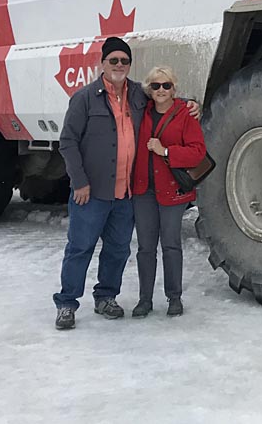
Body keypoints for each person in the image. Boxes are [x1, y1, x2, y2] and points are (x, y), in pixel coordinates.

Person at [52, 37, 199, 330]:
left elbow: (164, 98)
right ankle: (67, 303)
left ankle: (106, 297)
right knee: (80, 247)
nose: (119, 65)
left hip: (126, 193)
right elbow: (67, 142)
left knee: (118, 249)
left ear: (130, 65)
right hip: (91, 191)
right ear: (103, 63)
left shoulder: (138, 94)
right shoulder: (84, 98)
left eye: (124, 61)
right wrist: (79, 182)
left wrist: (191, 104)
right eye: (113, 60)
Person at [130, 65, 206, 318]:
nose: (161, 90)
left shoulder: (185, 114)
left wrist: (165, 151)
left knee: (171, 245)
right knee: (145, 247)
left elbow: (197, 152)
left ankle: (174, 297)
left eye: (166, 85)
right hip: (143, 190)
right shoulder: (141, 112)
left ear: (174, 88)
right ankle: (145, 299)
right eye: (155, 85)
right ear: (149, 90)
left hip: (172, 191)